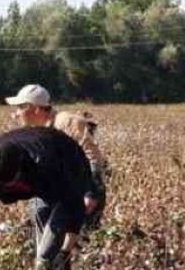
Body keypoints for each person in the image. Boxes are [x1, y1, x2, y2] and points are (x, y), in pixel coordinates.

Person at [0, 126, 97, 270]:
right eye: (8, 185)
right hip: (42, 165)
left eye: (16, 180)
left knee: (50, 247)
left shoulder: (44, 163)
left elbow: (74, 203)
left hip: (70, 161)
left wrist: (66, 251)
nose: (14, 186)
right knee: (40, 219)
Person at [6, 84, 108, 227]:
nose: (16, 113)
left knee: (81, 237)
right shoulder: (36, 131)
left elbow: (93, 158)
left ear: (35, 109)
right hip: (59, 192)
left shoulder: (66, 122)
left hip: (83, 191)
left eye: (20, 107)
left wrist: (91, 193)